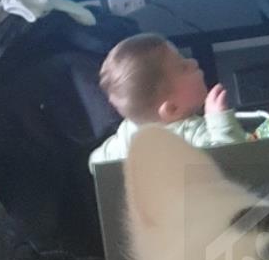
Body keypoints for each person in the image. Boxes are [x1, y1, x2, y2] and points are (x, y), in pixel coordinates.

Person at [89, 33, 246, 166]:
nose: (193, 62)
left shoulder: (128, 132)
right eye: (183, 67)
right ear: (172, 109)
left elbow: (95, 162)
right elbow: (233, 164)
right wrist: (220, 121)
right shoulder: (192, 133)